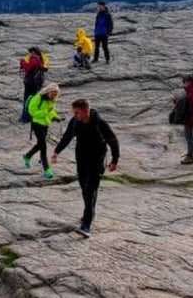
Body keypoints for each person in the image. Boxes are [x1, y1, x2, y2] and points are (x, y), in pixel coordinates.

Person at [52, 98, 119, 237]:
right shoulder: (75, 122)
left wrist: (114, 160)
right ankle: (91, 213)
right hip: (81, 159)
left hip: (97, 160)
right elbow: (67, 137)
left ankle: (86, 225)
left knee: (90, 190)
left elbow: (113, 141)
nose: (75, 115)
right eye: (74, 112)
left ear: (86, 111)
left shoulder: (100, 124)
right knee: (84, 189)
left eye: (77, 112)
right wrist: (56, 151)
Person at [23, 83, 61, 179]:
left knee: (40, 144)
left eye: (54, 94)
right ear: (47, 91)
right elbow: (32, 111)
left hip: (45, 124)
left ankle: (27, 156)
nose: (52, 95)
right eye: (51, 93)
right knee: (43, 145)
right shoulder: (38, 98)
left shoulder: (51, 101)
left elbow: (51, 111)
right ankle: (46, 169)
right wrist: (45, 112)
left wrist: (55, 117)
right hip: (36, 124)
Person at [171, 74, 193, 164]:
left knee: (189, 137)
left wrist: (176, 101)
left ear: (189, 82)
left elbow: (186, 104)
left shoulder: (191, 92)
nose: (183, 85)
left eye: (184, 82)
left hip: (190, 117)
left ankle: (190, 156)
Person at [19, 47, 48, 120]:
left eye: (30, 52)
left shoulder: (34, 59)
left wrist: (22, 62)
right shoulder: (41, 59)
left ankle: (25, 117)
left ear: (34, 52)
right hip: (37, 82)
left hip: (30, 82)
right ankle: (32, 115)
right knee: (34, 99)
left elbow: (28, 68)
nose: (29, 54)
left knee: (27, 99)